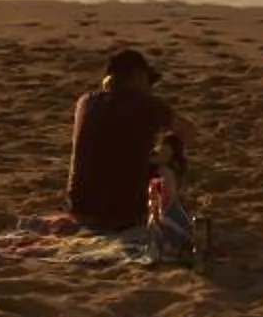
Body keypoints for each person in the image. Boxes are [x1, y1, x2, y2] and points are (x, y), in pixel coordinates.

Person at [64, 47, 187, 235]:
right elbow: (188, 130)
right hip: (126, 212)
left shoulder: (86, 102)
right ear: (138, 78)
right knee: (173, 153)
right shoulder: (148, 104)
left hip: (80, 207)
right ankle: (165, 216)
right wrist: (169, 146)